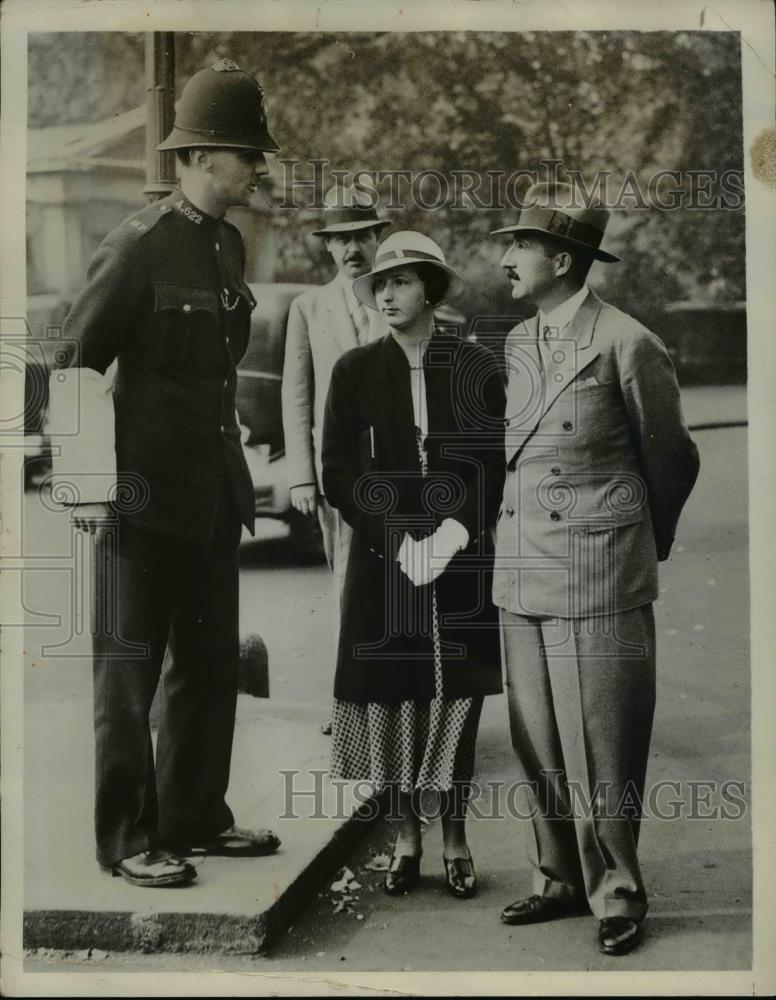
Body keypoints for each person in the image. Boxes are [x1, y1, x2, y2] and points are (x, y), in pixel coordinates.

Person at [48, 60, 282, 888]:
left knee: (210, 664)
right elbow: (73, 364)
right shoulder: (139, 245)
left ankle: (194, 818)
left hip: (213, 492)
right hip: (140, 498)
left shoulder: (224, 242)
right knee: (129, 672)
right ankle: (128, 837)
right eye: (247, 154)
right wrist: (85, 488)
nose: (258, 168)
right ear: (203, 156)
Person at [490, 182, 700, 954]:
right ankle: (556, 876)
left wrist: (638, 544)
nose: (506, 258)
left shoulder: (627, 342)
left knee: (603, 742)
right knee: (536, 734)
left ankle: (617, 890)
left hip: (596, 573)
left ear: (562, 257)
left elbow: (670, 458)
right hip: (520, 572)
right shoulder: (517, 341)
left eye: (520, 246)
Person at [322, 231, 505, 898]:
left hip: (459, 562)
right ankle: (406, 838)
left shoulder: (474, 365)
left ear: (428, 287)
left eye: (400, 282)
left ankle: (456, 839)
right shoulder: (354, 371)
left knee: (456, 699)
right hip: (383, 561)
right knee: (391, 697)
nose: (387, 294)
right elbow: (337, 473)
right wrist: (396, 538)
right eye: (379, 286)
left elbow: (490, 463)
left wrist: (455, 532)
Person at [282, 184, 390, 734]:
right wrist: (303, 474)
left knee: (403, 583)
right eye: (341, 239)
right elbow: (296, 394)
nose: (352, 249)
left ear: (378, 238)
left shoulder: (398, 297)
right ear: (327, 248)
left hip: (397, 476)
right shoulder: (308, 308)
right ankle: (348, 703)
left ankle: (399, 701)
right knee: (347, 584)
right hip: (338, 475)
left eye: (362, 236)